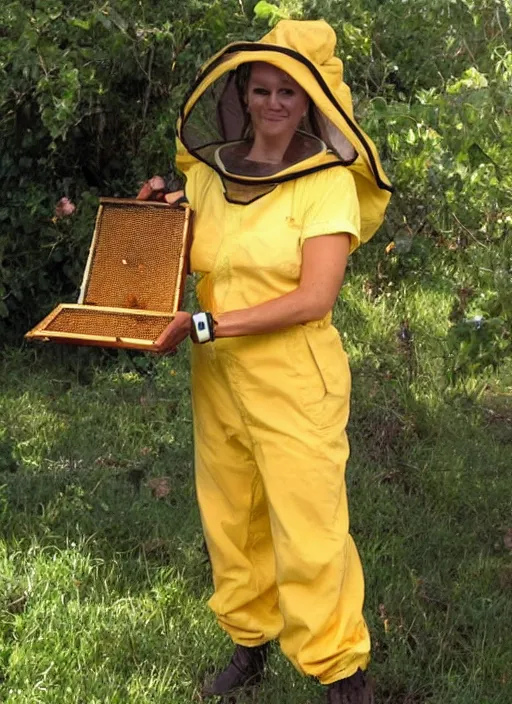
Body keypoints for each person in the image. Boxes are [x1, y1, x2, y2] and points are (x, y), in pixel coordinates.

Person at [138, 19, 392, 704]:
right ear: (241, 94)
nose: (273, 103)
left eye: (288, 91)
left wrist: (203, 323)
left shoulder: (326, 186)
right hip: (218, 379)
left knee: (309, 529)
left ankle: (344, 675)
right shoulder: (211, 178)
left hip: (293, 380)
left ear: (309, 101)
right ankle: (250, 645)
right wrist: (150, 223)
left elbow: (313, 297)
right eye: (261, 89)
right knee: (232, 517)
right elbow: (182, 252)